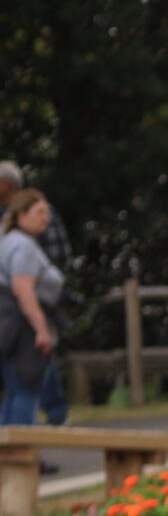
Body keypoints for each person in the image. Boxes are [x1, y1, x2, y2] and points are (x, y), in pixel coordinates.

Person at [1, 187, 69, 436]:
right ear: (21, 215)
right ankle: (22, 456)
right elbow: (23, 289)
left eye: (47, 212)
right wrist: (41, 330)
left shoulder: (8, 241)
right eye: (39, 212)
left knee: (15, 390)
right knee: (27, 390)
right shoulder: (23, 246)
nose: (46, 218)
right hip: (22, 325)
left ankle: (7, 459)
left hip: (9, 324)